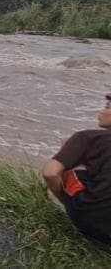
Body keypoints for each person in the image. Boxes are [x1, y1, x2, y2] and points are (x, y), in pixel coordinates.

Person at [41, 93, 111, 244]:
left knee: (70, 152)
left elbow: (50, 173)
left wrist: (64, 200)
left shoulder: (87, 137)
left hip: (91, 224)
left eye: (107, 107)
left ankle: (77, 206)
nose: (101, 111)